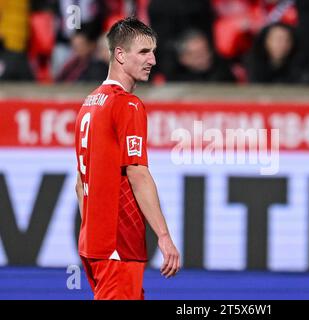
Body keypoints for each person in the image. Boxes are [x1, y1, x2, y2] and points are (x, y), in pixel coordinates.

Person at [74, 17, 180, 300]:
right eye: (144, 52)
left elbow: (80, 183)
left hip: (93, 242)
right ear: (120, 54)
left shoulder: (89, 103)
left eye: (153, 52)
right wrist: (164, 236)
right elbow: (137, 172)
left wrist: (93, 230)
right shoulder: (128, 104)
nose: (153, 60)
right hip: (118, 243)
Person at [165, 29, 236, 82]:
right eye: (197, 55)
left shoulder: (223, 72)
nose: (204, 58)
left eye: (205, 51)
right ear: (183, 59)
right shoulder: (175, 80)